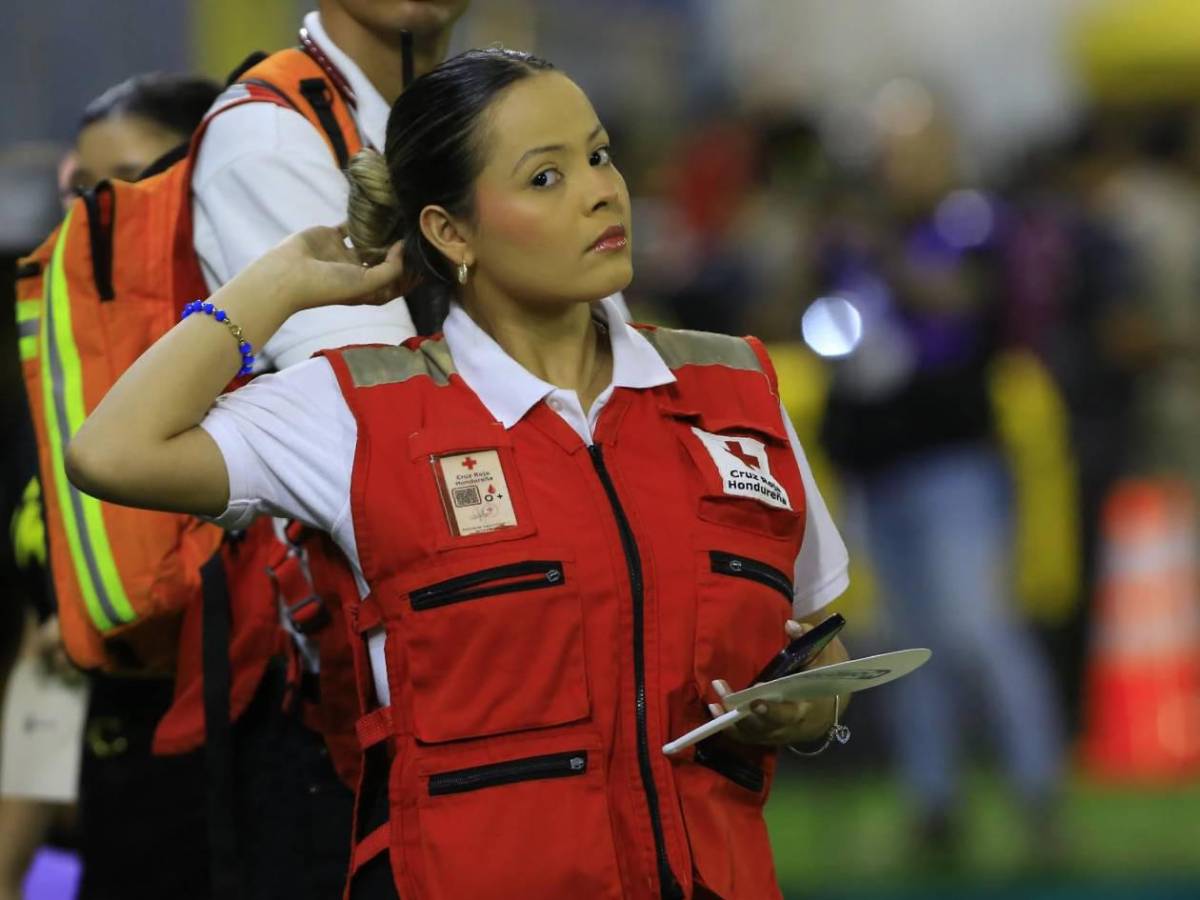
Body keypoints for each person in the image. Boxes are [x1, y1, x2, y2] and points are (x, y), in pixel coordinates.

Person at [66, 48, 851, 900]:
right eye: (545, 178)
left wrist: (809, 710)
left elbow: (818, 644)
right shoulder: (358, 411)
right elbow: (111, 451)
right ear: (449, 231)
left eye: (599, 154)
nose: (600, 190)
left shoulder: (734, 383)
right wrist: (280, 286)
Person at [3, 72, 222, 900]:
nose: (94, 218)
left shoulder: (273, 380)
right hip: (115, 818)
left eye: (125, 187)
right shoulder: (62, 394)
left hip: (238, 809)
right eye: (79, 196)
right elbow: (41, 664)